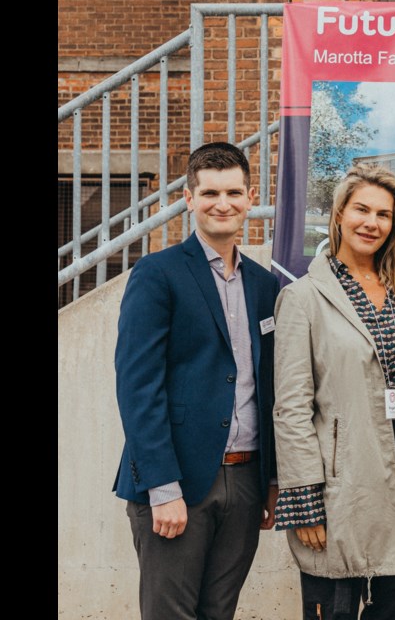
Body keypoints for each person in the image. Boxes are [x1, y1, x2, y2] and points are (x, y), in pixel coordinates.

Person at [113, 142, 280, 620]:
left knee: (218, 614)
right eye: (209, 193)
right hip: (179, 483)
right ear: (189, 198)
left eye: (232, 192)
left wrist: (269, 480)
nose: (221, 203)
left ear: (251, 197)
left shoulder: (265, 286)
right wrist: (163, 488)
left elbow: (265, 387)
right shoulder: (157, 273)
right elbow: (137, 385)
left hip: (245, 480)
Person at [272, 164, 395, 619]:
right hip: (342, 474)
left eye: (384, 214)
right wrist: (303, 498)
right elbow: (290, 408)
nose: (372, 222)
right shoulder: (303, 297)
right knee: (334, 607)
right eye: (362, 209)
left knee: (392, 607)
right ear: (340, 213)